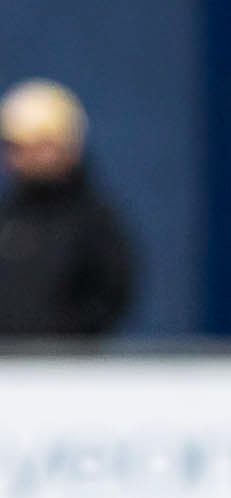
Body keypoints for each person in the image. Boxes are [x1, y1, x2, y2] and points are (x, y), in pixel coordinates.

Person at [0, 79, 136, 339]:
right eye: (16, 147)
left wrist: (65, 341)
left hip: (66, 363)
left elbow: (111, 294)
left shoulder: (94, 221)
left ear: (67, 147)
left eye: (39, 146)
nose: (26, 157)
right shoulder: (6, 216)